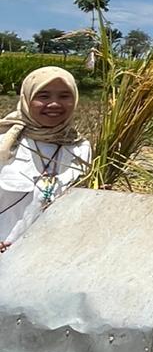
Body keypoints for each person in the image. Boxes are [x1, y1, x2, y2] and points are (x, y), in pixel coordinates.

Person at [0, 66, 91, 251]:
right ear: (27, 98)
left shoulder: (81, 148)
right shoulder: (5, 142)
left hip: (50, 259)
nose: (55, 104)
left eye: (64, 96)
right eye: (43, 96)